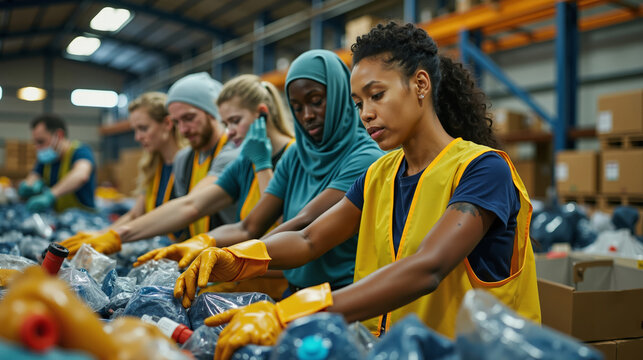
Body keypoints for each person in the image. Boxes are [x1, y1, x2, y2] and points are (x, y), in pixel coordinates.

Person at [185, 22, 541, 360]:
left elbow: (428, 267)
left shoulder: (483, 169)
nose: (366, 114)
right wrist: (236, 258)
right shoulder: (379, 174)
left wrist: (291, 313)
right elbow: (310, 239)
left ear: (420, 84)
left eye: (377, 95)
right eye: (359, 103)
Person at [169, 49, 384, 308]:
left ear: (339, 95)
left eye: (316, 101)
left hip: (340, 299)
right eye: (297, 107)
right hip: (293, 293)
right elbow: (248, 226)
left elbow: (305, 224)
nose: (307, 115)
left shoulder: (365, 158)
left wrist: (238, 256)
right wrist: (204, 244)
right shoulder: (296, 155)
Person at [60, 72, 240, 256]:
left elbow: (190, 207)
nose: (183, 129)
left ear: (213, 113)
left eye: (189, 118)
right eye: (179, 121)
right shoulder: (185, 159)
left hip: (227, 260)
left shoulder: (231, 154)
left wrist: (116, 235)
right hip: (202, 258)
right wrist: (103, 234)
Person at [109, 92, 187, 232]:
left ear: (167, 123)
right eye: (135, 130)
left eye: (143, 128)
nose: (137, 137)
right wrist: (102, 235)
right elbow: (135, 214)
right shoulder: (153, 166)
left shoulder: (189, 165)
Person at [19, 114, 96, 213]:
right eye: (35, 143)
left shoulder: (80, 152)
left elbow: (81, 175)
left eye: (41, 141)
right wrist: (29, 186)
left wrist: (51, 195)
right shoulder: (46, 160)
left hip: (84, 218)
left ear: (59, 135)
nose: (37, 147)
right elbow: (33, 177)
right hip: (58, 217)